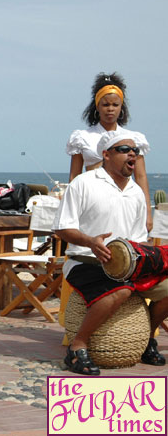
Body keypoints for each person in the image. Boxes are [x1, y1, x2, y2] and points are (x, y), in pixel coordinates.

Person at [54, 133, 168, 375]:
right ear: (106, 154)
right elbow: (62, 227)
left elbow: (138, 239)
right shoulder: (83, 183)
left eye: (135, 151)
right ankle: (78, 346)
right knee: (123, 289)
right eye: (124, 149)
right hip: (83, 260)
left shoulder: (136, 192)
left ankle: (145, 339)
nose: (132, 154)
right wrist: (89, 241)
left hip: (128, 265)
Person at [66, 72, 152, 231]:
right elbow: (74, 176)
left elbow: (140, 176)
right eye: (105, 105)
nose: (110, 109)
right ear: (97, 106)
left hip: (125, 201)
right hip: (93, 202)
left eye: (115, 105)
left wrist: (147, 213)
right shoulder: (82, 137)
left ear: (121, 107)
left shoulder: (132, 139)